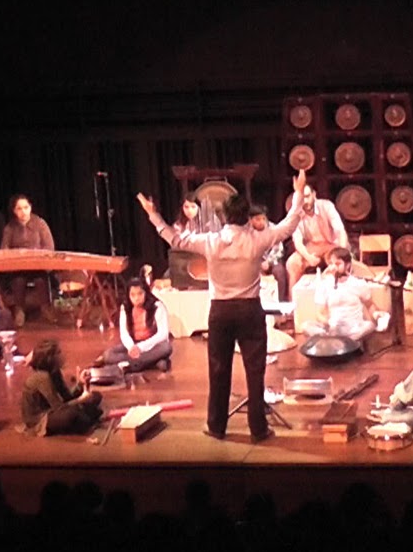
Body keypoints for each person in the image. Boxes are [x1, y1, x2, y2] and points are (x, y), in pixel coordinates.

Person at [138, 169, 308, 442]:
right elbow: (289, 225)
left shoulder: (211, 241)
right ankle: (258, 429)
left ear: (224, 217)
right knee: (255, 371)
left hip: (221, 312)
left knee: (218, 370)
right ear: (247, 217)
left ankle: (217, 426)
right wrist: (298, 193)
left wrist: (153, 214)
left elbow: (175, 239)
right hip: (250, 310)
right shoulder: (258, 239)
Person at [21, 339, 104, 437]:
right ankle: (84, 419)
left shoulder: (55, 372)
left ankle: (84, 419)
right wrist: (81, 400)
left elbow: (67, 397)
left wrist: (80, 384)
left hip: (54, 411)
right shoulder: (42, 377)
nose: (62, 355)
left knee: (96, 396)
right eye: (58, 353)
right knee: (72, 414)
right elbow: (59, 408)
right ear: (50, 358)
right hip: (40, 419)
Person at [0, 193, 56, 327]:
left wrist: (38, 256)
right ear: (14, 211)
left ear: (30, 207)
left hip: (38, 265)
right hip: (19, 267)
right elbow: (4, 249)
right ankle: (19, 310)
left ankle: (46, 308)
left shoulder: (40, 224)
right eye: (19, 209)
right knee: (18, 280)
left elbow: (49, 247)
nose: (23, 211)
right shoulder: (10, 228)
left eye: (26, 207)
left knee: (40, 279)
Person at [303, 247, 384, 340]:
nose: (333, 267)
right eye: (331, 264)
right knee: (306, 326)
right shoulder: (324, 284)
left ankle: (344, 340)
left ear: (348, 265)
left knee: (370, 326)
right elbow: (319, 313)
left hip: (354, 328)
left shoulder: (358, 283)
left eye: (338, 264)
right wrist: (329, 323)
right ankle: (333, 339)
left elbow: (370, 305)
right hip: (334, 328)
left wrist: (377, 315)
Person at [98, 277, 173, 373]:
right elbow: (124, 333)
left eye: (140, 294)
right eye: (133, 295)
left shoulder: (157, 306)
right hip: (133, 345)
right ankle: (150, 363)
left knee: (166, 347)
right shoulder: (125, 307)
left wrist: (140, 348)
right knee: (108, 355)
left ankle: (132, 365)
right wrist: (131, 347)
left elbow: (163, 334)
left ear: (146, 293)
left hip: (152, 345)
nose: (136, 298)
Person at [287, 185, 347, 281]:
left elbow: (340, 231)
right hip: (312, 248)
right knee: (292, 263)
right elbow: (297, 242)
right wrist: (308, 257)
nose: (305, 201)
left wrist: (342, 254)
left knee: (338, 263)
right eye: (301, 199)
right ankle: (294, 291)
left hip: (331, 246)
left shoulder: (326, 206)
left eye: (307, 196)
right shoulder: (295, 214)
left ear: (314, 194)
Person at [248, 204, 290, 301]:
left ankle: (281, 302)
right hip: (254, 263)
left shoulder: (273, 229)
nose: (261, 222)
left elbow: (279, 249)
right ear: (250, 220)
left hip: (272, 261)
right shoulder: (247, 232)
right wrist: (258, 263)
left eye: (263, 218)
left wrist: (269, 262)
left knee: (279, 272)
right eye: (258, 219)